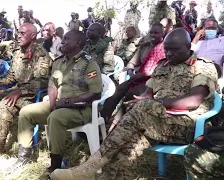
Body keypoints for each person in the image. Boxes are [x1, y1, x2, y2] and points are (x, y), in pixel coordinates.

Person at [51, 28, 218, 180]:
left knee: (143, 109)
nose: (169, 53)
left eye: (174, 49)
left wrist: (153, 102)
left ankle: (87, 169)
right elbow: (147, 95)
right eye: (166, 49)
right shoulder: (162, 66)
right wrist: (137, 102)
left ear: (189, 46)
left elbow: (193, 101)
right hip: (156, 122)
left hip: (189, 125)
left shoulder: (202, 66)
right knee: (129, 147)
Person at [13, 30, 102, 173]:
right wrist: (53, 103)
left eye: (67, 39)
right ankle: (24, 157)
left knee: (56, 118)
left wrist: (67, 102)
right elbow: (52, 85)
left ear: (77, 43)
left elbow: (95, 93)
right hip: (59, 105)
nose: (62, 41)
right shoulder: (59, 61)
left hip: (82, 109)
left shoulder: (89, 63)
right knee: (26, 112)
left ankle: (55, 165)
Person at [0, 23, 51, 155]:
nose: (18, 35)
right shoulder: (18, 53)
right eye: (18, 32)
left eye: (23, 33)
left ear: (33, 36)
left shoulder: (41, 55)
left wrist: (19, 92)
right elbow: (11, 76)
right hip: (17, 91)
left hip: (33, 96)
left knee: (5, 103)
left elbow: (42, 82)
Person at [101, 23, 165, 123]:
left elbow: (162, 69)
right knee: (115, 93)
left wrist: (143, 75)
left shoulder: (165, 48)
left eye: (156, 33)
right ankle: (102, 122)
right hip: (136, 78)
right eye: (151, 32)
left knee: (130, 95)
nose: (153, 35)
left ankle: (117, 124)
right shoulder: (144, 46)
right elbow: (132, 62)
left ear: (162, 33)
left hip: (151, 82)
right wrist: (131, 72)